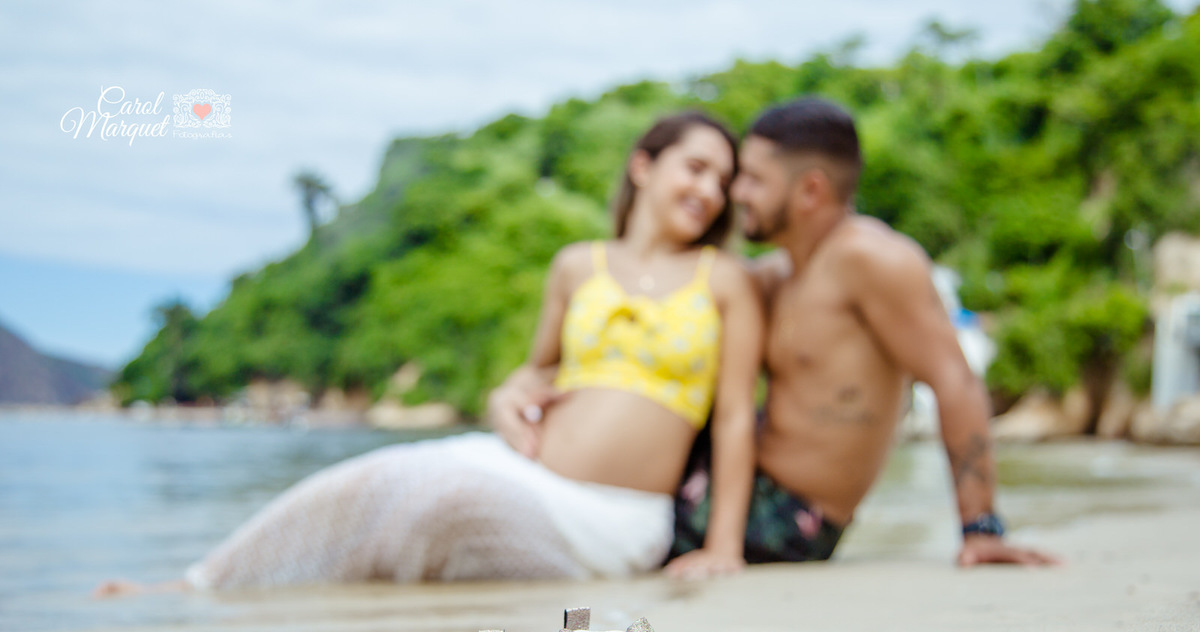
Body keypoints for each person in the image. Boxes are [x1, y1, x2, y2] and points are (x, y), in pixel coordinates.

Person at [95, 110, 762, 597]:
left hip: (614, 516)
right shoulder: (576, 266)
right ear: (644, 165)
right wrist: (505, 396)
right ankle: (199, 585)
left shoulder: (725, 280)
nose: (708, 190)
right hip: (523, 467)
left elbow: (733, 417)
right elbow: (538, 371)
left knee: (444, 501)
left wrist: (723, 545)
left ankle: (320, 603)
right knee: (373, 479)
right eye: (695, 167)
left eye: (722, 180)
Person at [493, 98, 1058, 573]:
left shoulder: (872, 260)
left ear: (810, 190)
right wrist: (515, 390)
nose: (734, 194)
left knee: (544, 527)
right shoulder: (772, 275)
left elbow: (954, 380)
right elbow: (647, 334)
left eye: (753, 180)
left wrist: (980, 528)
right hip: (715, 481)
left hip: (787, 517)